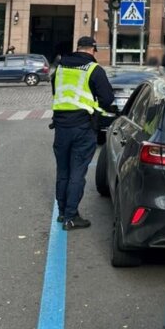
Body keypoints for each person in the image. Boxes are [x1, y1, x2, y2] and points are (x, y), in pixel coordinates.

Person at [51, 36, 114, 231]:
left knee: (63, 171)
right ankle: (71, 217)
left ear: (77, 48)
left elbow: (57, 92)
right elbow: (108, 98)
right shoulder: (94, 69)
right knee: (77, 172)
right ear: (93, 50)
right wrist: (94, 107)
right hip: (83, 127)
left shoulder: (60, 68)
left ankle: (62, 213)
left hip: (61, 127)